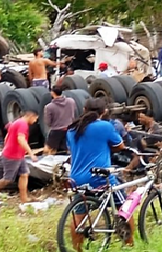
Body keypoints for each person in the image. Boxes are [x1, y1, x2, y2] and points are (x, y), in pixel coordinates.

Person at [66, 99, 133, 249]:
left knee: (79, 216)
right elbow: (120, 145)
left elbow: (73, 151)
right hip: (100, 178)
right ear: (104, 112)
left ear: (84, 109)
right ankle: (130, 246)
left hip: (77, 179)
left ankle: (77, 250)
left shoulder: (71, 130)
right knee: (125, 209)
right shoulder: (105, 126)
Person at [0, 111, 39, 207]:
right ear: (30, 116)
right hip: (12, 156)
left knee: (24, 174)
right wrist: (31, 153)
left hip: (17, 155)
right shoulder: (23, 124)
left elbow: (6, 138)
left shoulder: (16, 122)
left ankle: (24, 198)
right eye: (35, 119)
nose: (35, 121)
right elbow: (21, 139)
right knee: (7, 180)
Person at [43, 86, 76, 154]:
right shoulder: (71, 101)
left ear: (52, 93)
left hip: (56, 131)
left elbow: (48, 122)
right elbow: (73, 113)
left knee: (49, 151)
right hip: (69, 129)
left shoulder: (49, 107)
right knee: (68, 151)